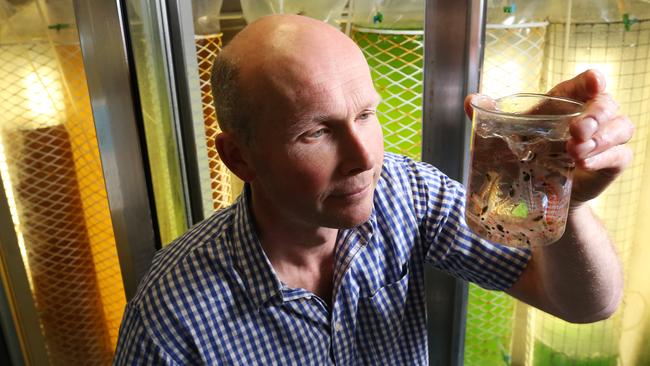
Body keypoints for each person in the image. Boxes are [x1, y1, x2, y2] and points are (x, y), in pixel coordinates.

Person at [113, 14, 634, 365]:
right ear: (240, 158)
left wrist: (560, 190)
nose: (365, 159)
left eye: (366, 114)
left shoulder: (405, 193)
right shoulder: (173, 312)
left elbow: (588, 304)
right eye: (315, 132)